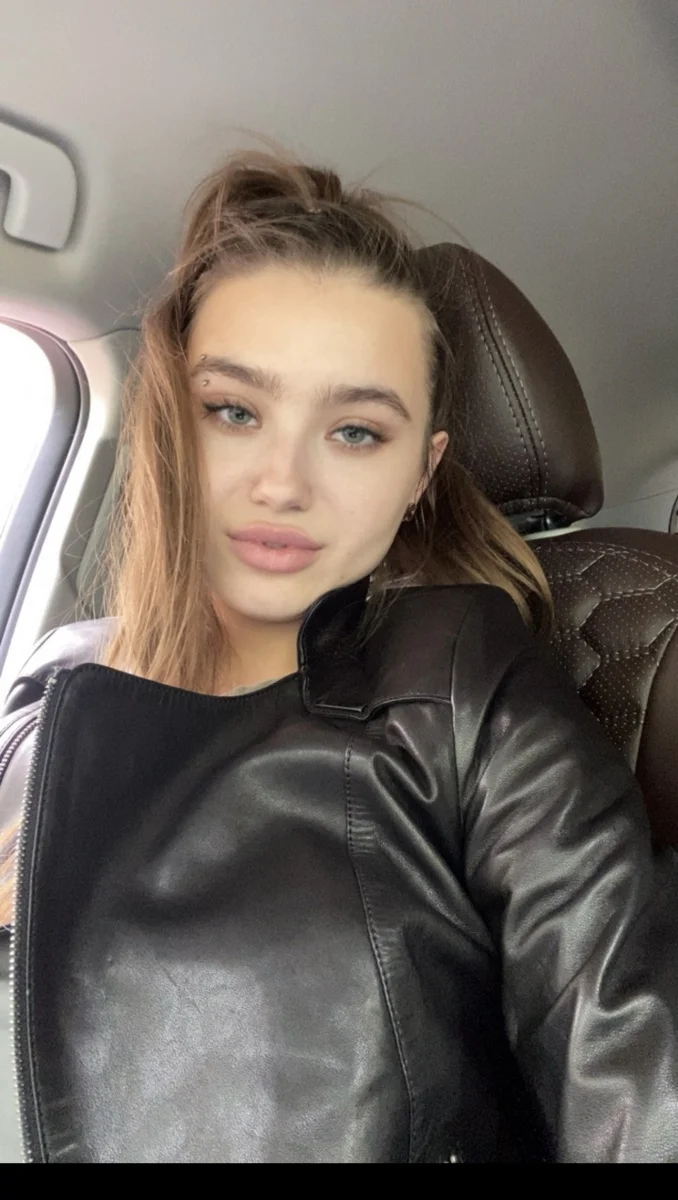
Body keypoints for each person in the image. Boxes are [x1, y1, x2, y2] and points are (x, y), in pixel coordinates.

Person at [0, 148, 677, 1165]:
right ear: (170, 425)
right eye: (235, 411)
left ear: (421, 473)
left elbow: (624, 1058)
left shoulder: (459, 682)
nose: (283, 481)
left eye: (356, 431)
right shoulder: (53, 678)